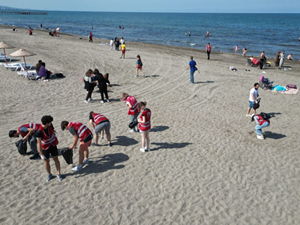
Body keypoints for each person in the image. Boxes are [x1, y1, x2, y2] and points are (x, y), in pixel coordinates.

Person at [35, 115, 63, 182]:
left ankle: (59, 174)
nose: (51, 123)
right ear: (47, 123)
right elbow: (38, 143)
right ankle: (49, 174)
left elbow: (52, 131)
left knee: (56, 158)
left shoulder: (50, 126)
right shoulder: (39, 132)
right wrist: (41, 154)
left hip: (53, 145)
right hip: (45, 147)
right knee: (46, 161)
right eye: (50, 122)